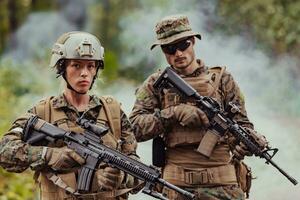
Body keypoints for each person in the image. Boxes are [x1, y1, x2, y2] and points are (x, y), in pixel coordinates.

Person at [129, 15, 268, 200]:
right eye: (170, 48)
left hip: (222, 185)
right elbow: (134, 128)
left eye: (183, 45)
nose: (178, 53)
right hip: (176, 185)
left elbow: (242, 124)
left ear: (193, 41)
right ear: (162, 50)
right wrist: (173, 113)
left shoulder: (222, 79)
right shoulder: (156, 84)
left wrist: (248, 142)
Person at [0, 31, 139, 200]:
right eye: (76, 65)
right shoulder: (43, 112)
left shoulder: (113, 112)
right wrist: (48, 155)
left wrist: (122, 178)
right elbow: (5, 151)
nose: (84, 73)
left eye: (91, 66)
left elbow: (135, 166)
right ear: (62, 67)